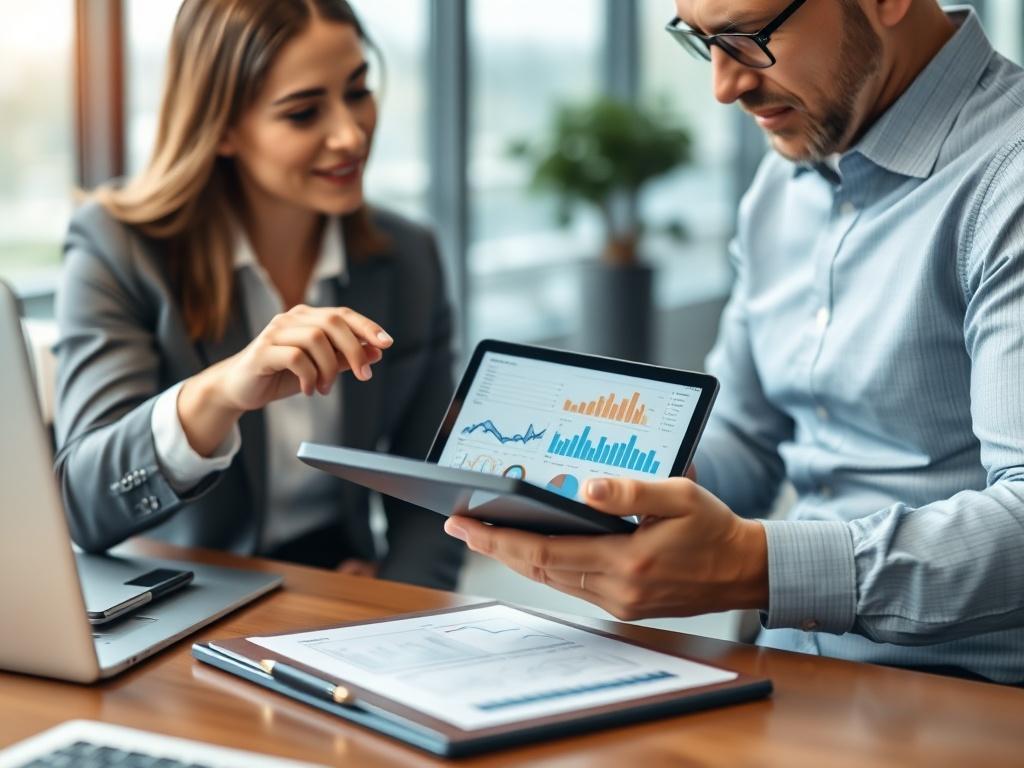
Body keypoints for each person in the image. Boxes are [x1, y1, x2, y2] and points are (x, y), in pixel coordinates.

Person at [444, 0, 1024, 683]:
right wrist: (609, 489)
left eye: (750, 36)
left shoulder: (1006, 180)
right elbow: (747, 440)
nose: (724, 87)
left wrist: (755, 565)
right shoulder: (783, 183)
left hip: (971, 699)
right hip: (784, 669)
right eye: (701, 41)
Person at [54, 0, 463, 590]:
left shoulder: (408, 256)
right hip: (191, 594)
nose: (350, 135)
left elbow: (435, 490)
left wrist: (396, 599)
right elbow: (82, 505)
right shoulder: (118, 246)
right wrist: (221, 391)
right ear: (221, 129)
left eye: (357, 91)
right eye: (303, 113)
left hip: (342, 592)